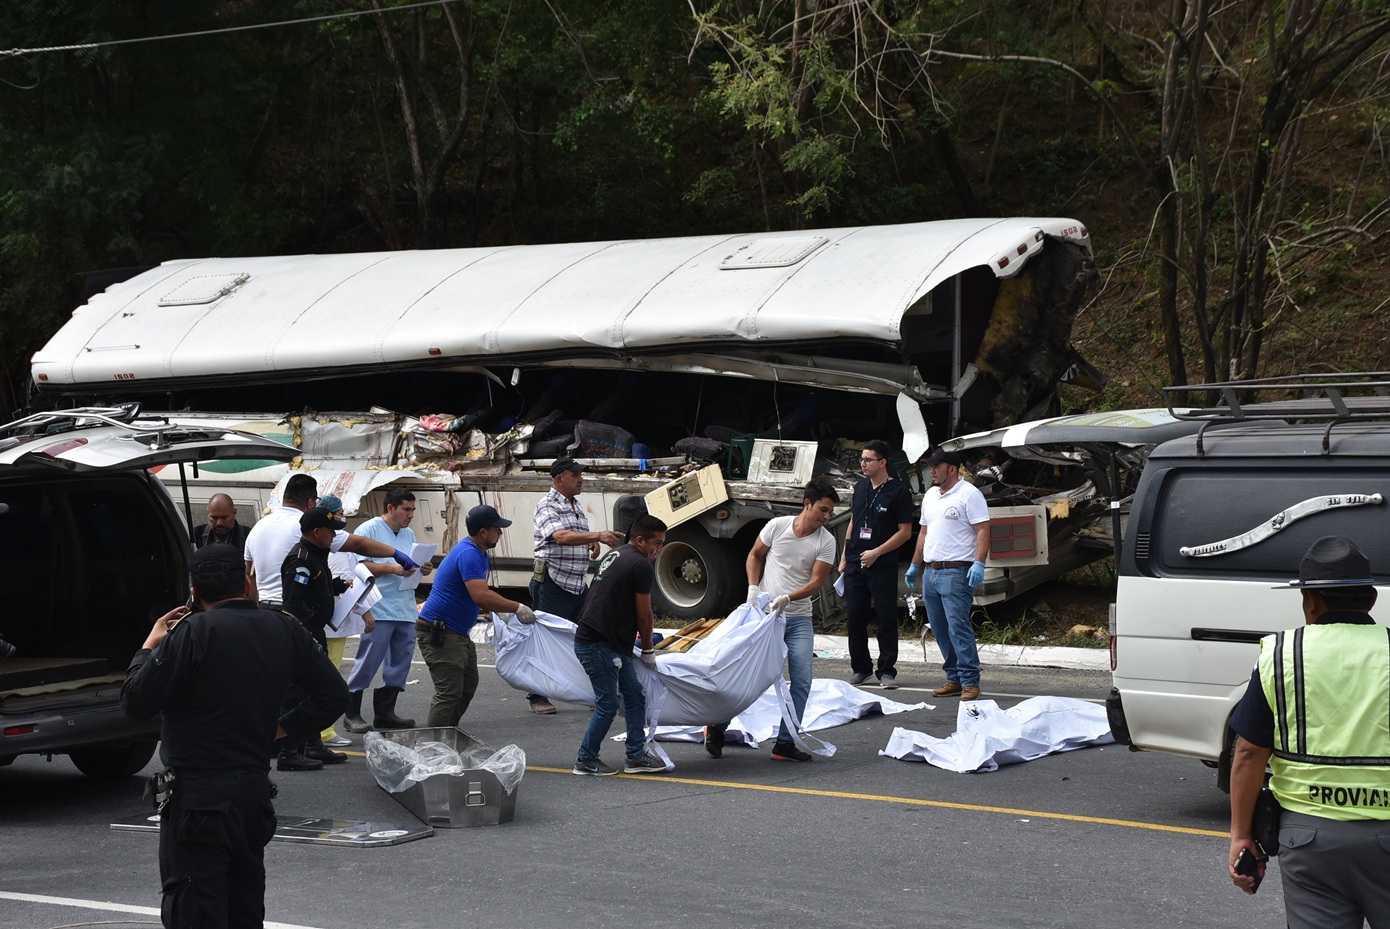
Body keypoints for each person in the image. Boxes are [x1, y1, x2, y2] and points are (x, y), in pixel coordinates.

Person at [120, 543, 348, 928]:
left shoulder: (189, 634)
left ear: (194, 592)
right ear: (246, 584)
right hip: (250, 795)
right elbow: (333, 696)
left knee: (196, 908)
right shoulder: (283, 627)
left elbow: (135, 702)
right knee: (244, 903)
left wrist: (149, 646)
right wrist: (280, 729)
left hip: (198, 798)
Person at [1227, 535, 1390, 927]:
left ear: (1310, 601)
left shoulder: (1281, 654)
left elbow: (1249, 753)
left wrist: (1240, 836)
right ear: (1370, 599)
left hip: (1308, 838)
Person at [706, 479, 839, 762]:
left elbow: (817, 582)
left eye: (830, 512)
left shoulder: (826, 541)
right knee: (748, 676)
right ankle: (717, 727)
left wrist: (789, 598)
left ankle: (785, 743)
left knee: (802, 681)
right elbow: (755, 555)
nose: (826, 517)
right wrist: (753, 588)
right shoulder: (777, 526)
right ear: (807, 504)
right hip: (766, 620)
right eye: (823, 510)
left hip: (799, 620)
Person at [418, 505, 537, 728]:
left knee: (467, 685)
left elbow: (480, 592)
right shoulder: (469, 553)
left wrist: (500, 607)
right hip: (440, 632)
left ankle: (446, 733)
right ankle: (432, 747)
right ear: (483, 532)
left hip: (457, 632)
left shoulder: (479, 552)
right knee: (449, 692)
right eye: (497, 529)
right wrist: (517, 607)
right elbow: (480, 595)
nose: (500, 533)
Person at [571, 513, 668, 776]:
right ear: (640, 540)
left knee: (635, 696)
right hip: (598, 642)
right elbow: (644, 614)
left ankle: (635, 755)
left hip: (609, 640)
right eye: (656, 544)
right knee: (608, 703)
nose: (659, 550)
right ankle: (585, 759)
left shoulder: (617, 554)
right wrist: (648, 649)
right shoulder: (641, 565)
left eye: (662, 544)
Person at [528, 457, 624, 714]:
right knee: (546, 639)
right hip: (553, 582)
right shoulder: (547, 504)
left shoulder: (575, 505)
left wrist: (590, 543)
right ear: (559, 479)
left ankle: (594, 692)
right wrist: (597, 536)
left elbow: (574, 536)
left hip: (576, 583)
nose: (581, 479)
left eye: (581, 475)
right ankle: (537, 696)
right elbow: (560, 537)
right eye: (575, 475)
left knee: (588, 637)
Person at [243, 473, 420, 609]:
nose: (333, 535)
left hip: (265, 609)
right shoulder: (311, 527)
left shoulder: (258, 527)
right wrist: (394, 552)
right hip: (297, 610)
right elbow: (358, 544)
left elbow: (249, 576)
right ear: (311, 502)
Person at [342, 488, 433, 732]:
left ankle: (386, 712)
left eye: (413, 510)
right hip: (379, 606)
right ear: (391, 508)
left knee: (401, 660)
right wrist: (392, 569)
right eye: (406, 509)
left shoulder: (408, 532)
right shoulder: (369, 530)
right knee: (369, 659)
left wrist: (421, 567)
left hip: (404, 605)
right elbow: (359, 567)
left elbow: (408, 561)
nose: (411, 515)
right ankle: (351, 714)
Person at [906, 450, 990, 701]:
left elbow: (983, 529)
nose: (932, 470)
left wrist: (979, 563)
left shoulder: (969, 494)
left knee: (958, 627)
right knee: (941, 628)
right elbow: (923, 533)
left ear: (952, 469)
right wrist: (914, 565)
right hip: (931, 571)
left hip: (956, 570)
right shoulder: (931, 495)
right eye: (930, 466)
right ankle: (953, 678)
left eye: (936, 466)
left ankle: (970, 681)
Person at [275, 506, 353, 771]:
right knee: (299, 694)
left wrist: (338, 587)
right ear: (317, 532)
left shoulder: (316, 555)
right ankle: (288, 752)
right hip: (303, 634)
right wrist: (308, 636)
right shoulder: (301, 559)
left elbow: (315, 589)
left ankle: (313, 744)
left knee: (312, 691)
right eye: (331, 531)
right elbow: (293, 602)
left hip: (314, 631)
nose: (334, 535)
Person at [838, 440, 914, 688]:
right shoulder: (860, 487)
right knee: (855, 617)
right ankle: (861, 668)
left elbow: (904, 532)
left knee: (885, 617)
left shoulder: (898, 492)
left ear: (882, 462)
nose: (863, 463)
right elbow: (853, 521)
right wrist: (844, 556)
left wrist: (877, 552)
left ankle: (887, 671)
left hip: (882, 563)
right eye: (862, 459)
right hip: (855, 561)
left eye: (868, 459)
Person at [316, 493, 375, 748]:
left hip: (330, 621)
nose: (343, 516)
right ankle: (323, 732)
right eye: (339, 512)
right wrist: (365, 611)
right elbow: (346, 585)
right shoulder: (337, 546)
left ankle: (321, 730)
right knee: (328, 675)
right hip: (334, 622)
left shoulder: (326, 542)